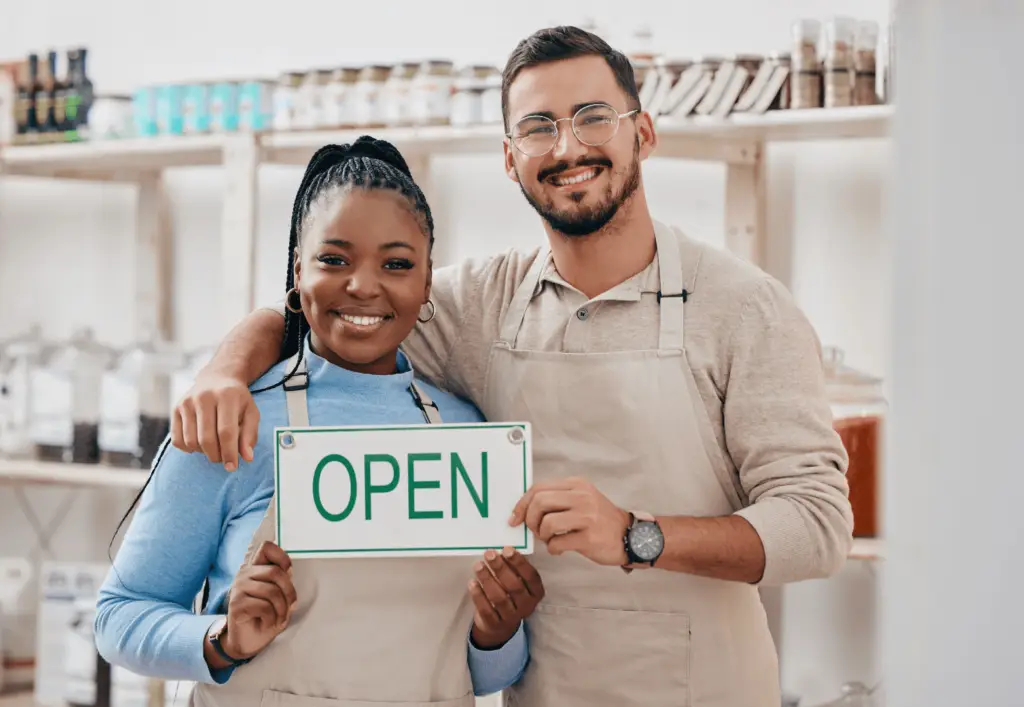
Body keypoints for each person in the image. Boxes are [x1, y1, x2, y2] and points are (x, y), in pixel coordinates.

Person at [170, 27, 853, 707]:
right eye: (538, 128)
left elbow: (817, 525)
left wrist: (634, 534)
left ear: (642, 132)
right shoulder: (481, 305)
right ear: (508, 158)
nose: (567, 148)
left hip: (703, 687)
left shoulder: (743, 307)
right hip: (540, 688)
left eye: (592, 118)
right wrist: (222, 375)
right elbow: (328, 308)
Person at [94, 137, 546, 707]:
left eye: (397, 264)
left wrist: (495, 631)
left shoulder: (467, 434)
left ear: (427, 281)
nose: (363, 284)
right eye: (334, 260)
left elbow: (485, 676)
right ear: (298, 272)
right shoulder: (233, 423)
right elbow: (119, 616)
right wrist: (222, 640)